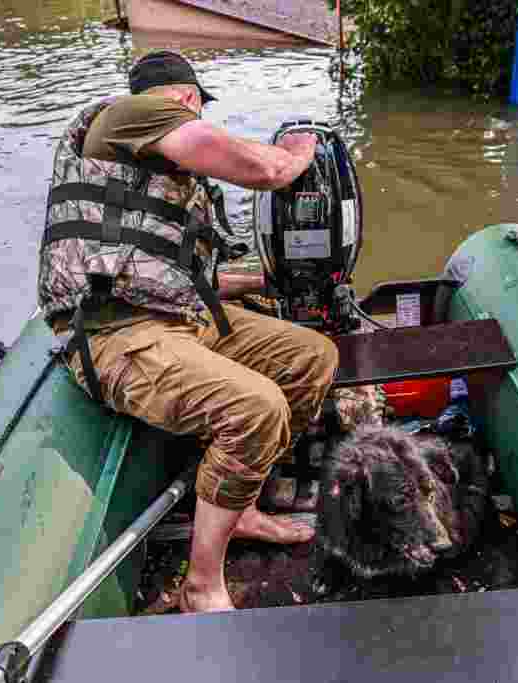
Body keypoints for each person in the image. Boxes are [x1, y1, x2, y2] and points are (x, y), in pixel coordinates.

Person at [37, 50, 339, 613]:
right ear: (186, 98)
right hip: (114, 334)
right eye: (197, 106)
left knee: (311, 355)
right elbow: (265, 170)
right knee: (257, 408)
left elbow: (171, 274)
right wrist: (295, 154)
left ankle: (241, 503)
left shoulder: (149, 170)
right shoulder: (131, 115)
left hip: (181, 320)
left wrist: (264, 278)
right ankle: (201, 584)